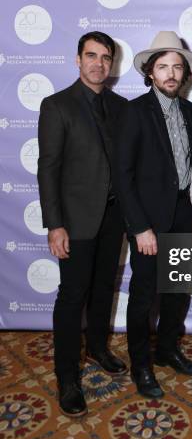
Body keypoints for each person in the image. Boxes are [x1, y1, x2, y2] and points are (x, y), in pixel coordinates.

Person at [37, 31, 128, 418]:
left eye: (106, 58)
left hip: (113, 217)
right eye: (91, 56)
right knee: (73, 296)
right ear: (78, 60)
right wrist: (54, 225)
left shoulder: (121, 106)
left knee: (105, 285)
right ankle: (67, 376)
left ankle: (98, 347)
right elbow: (48, 170)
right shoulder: (57, 105)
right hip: (74, 220)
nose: (99, 64)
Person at [114, 31, 192, 398]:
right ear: (150, 73)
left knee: (178, 290)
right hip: (148, 222)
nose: (170, 73)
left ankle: (167, 349)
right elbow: (122, 176)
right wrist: (139, 228)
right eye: (163, 67)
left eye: (177, 67)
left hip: (184, 214)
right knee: (143, 296)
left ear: (185, 74)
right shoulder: (133, 112)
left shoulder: (191, 112)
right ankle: (141, 365)